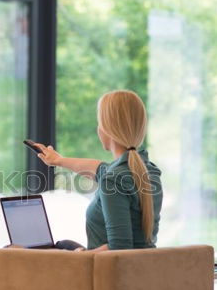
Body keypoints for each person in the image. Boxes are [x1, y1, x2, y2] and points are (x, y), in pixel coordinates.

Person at [36, 89, 163, 251]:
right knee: (63, 244)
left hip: (108, 272)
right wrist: (58, 160)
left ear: (106, 129)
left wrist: (80, 257)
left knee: (17, 250)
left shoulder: (113, 179)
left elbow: (119, 248)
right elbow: (100, 168)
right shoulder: (149, 171)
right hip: (141, 269)